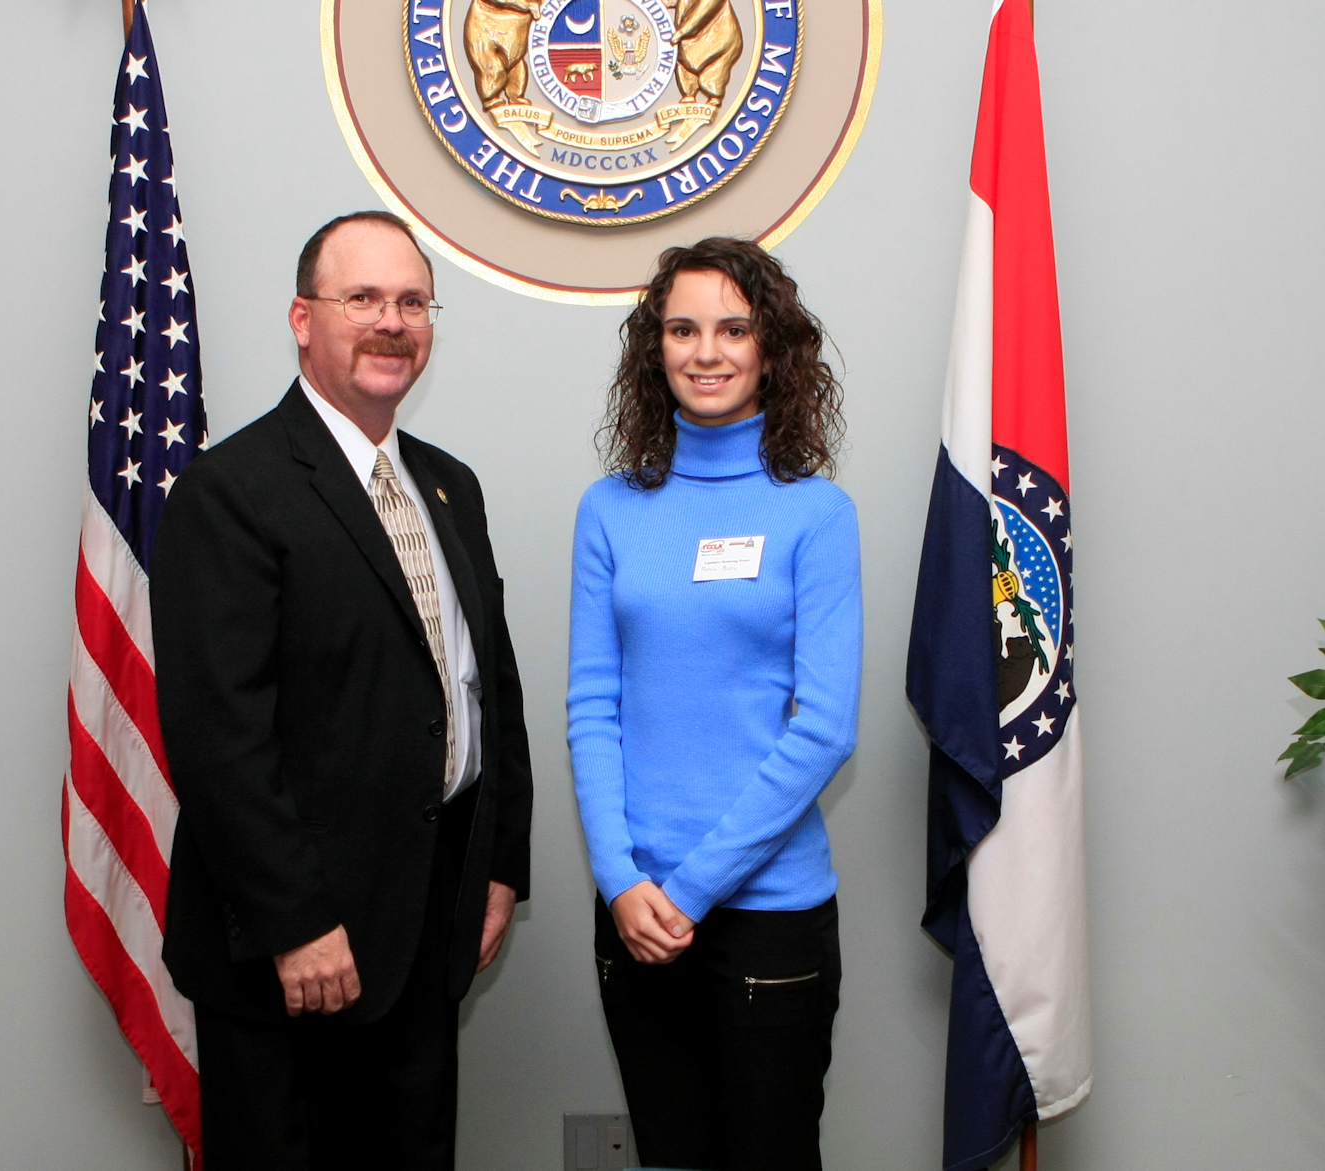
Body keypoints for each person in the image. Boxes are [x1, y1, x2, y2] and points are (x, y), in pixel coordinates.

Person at [151, 211, 533, 1171]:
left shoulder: (448, 486)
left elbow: (488, 688)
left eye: (412, 302)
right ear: (302, 318)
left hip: (429, 920)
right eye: (361, 298)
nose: (391, 322)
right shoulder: (231, 492)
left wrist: (499, 866)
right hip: (298, 949)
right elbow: (218, 738)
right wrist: (295, 924)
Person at [567, 237, 860, 1170]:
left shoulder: (816, 514)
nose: (707, 352)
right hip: (634, 909)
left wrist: (687, 891)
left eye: (734, 329)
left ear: (772, 349)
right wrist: (621, 880)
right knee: (668, 1156)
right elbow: (592, 707)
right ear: (654, 347)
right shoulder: (609, 510)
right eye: (683, 329)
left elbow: (825, 730)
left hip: (767, 912)